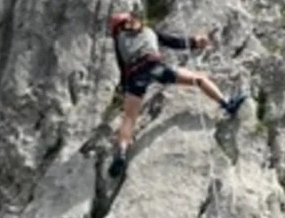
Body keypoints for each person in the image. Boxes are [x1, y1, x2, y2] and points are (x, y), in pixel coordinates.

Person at [105, 11, 248, 177]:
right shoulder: (147, 31)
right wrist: (195, 42)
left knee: (129, 118)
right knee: (199, 79)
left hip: (134, 76)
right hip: (154, 67)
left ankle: (121, 153)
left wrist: (125, 89)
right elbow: (174, 42)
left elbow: (122, 69)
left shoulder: (119, 43)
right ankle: (227, 104)